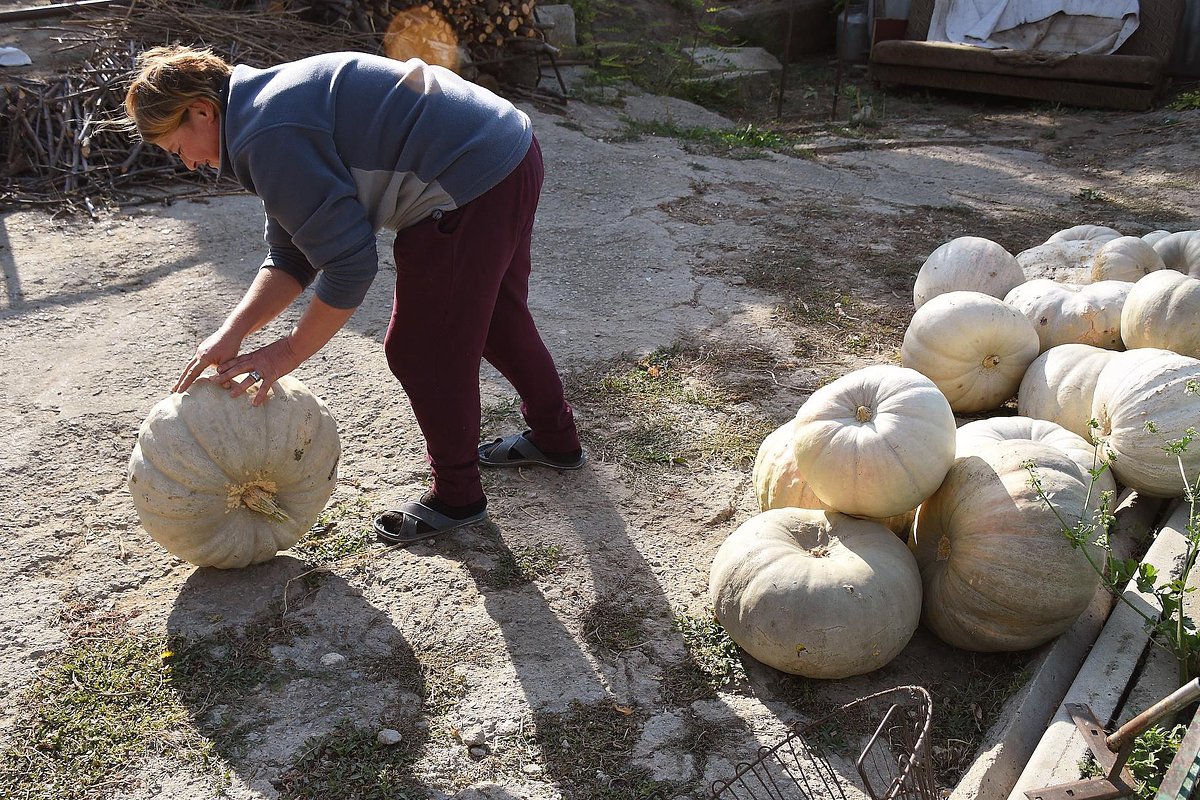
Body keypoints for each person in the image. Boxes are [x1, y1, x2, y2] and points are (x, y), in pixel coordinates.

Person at [122, 45, 585, 545]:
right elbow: (293, 255)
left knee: (420, 350)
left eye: (177, 148)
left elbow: (349, 264)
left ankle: (458, 497)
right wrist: (230, 332)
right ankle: (555, 439)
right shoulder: (263, 109)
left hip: (468, 180)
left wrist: (286, 353)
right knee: (498, 315)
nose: (189, 164)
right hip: (505, 150)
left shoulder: (266, 135)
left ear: (201, 111)